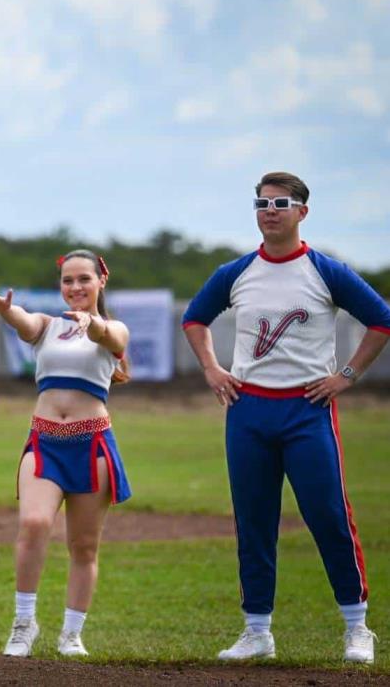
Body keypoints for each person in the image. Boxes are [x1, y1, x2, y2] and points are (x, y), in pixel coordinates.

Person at [182, 171, 390, 665]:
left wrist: (347, 375)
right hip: (247, 411)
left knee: (328, 516)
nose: (269, 211)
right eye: (261, 203)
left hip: (307, 410)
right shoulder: (235, 272)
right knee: (254, 522)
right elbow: (195, 318)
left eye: (280, 202)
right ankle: (257, 631)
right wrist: (213, 368)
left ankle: (357, 627)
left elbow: (381, 319)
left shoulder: (325, 271)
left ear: (302, 211)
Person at [0, 250, 132, 659]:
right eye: (67, 281)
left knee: (83, 546)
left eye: (84, 279)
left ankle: (72, 634)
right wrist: (9, 313)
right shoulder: (47, 325)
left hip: (92, 444)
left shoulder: (114, 327)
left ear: (102, 281)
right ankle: (23, 624)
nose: (75, 287)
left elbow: (110, 339)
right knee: (32, 523)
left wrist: (93, 325)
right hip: (45, 441)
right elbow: (27, 324)